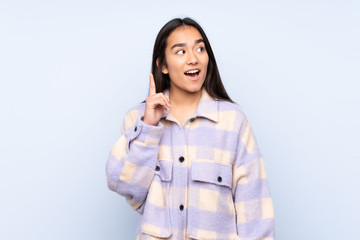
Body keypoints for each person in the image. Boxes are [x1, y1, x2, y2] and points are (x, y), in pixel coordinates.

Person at [106, 17, 275, 240]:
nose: (193, 59)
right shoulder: (139, 119)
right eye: (180, 52)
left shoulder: (232, 121)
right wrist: (148, 127)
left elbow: (254, 207)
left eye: (200, 49)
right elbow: (124, 185)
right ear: (163, 65)